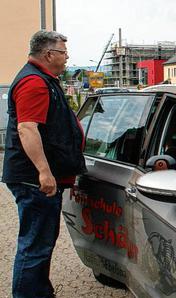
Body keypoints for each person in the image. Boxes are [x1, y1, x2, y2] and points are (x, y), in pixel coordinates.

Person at [2, 30, 86, 298]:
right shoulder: (34, 82)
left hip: (36, 178)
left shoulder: (43, 80)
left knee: (41, 242)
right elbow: (28, 129)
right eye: (63, 52)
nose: (67, 57)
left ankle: (38, 292)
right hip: (34, 180)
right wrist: (44, 172)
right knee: (35, 245)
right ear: (49, 54)